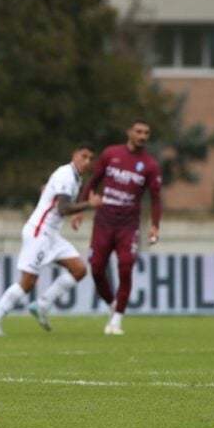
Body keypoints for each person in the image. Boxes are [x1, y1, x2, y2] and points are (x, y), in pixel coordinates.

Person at [0, 145, 100, 336]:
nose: (87, 162)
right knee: (28, 282)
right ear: (74, 155)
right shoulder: (66, 175)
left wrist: (76, 211)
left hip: (51, 234)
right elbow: (62, 208)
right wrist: (89, 205)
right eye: (83, 156)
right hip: (40, 232)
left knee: (79, 269)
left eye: (90, 158)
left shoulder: (74, 177)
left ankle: (42, 304)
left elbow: (55, 198)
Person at [81, 119, 162, 336]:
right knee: (96, 267)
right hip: (104, 220)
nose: (142, 136)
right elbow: (93, 181)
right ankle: (112, 304)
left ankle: (117, 320)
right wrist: (80, 207)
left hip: (128, 225)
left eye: (146, 132)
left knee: (125, 266)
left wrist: (155, 225)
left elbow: (155, 198)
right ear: (129, 132)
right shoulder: (110, 154)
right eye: (138, 131)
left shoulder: (150, 165)